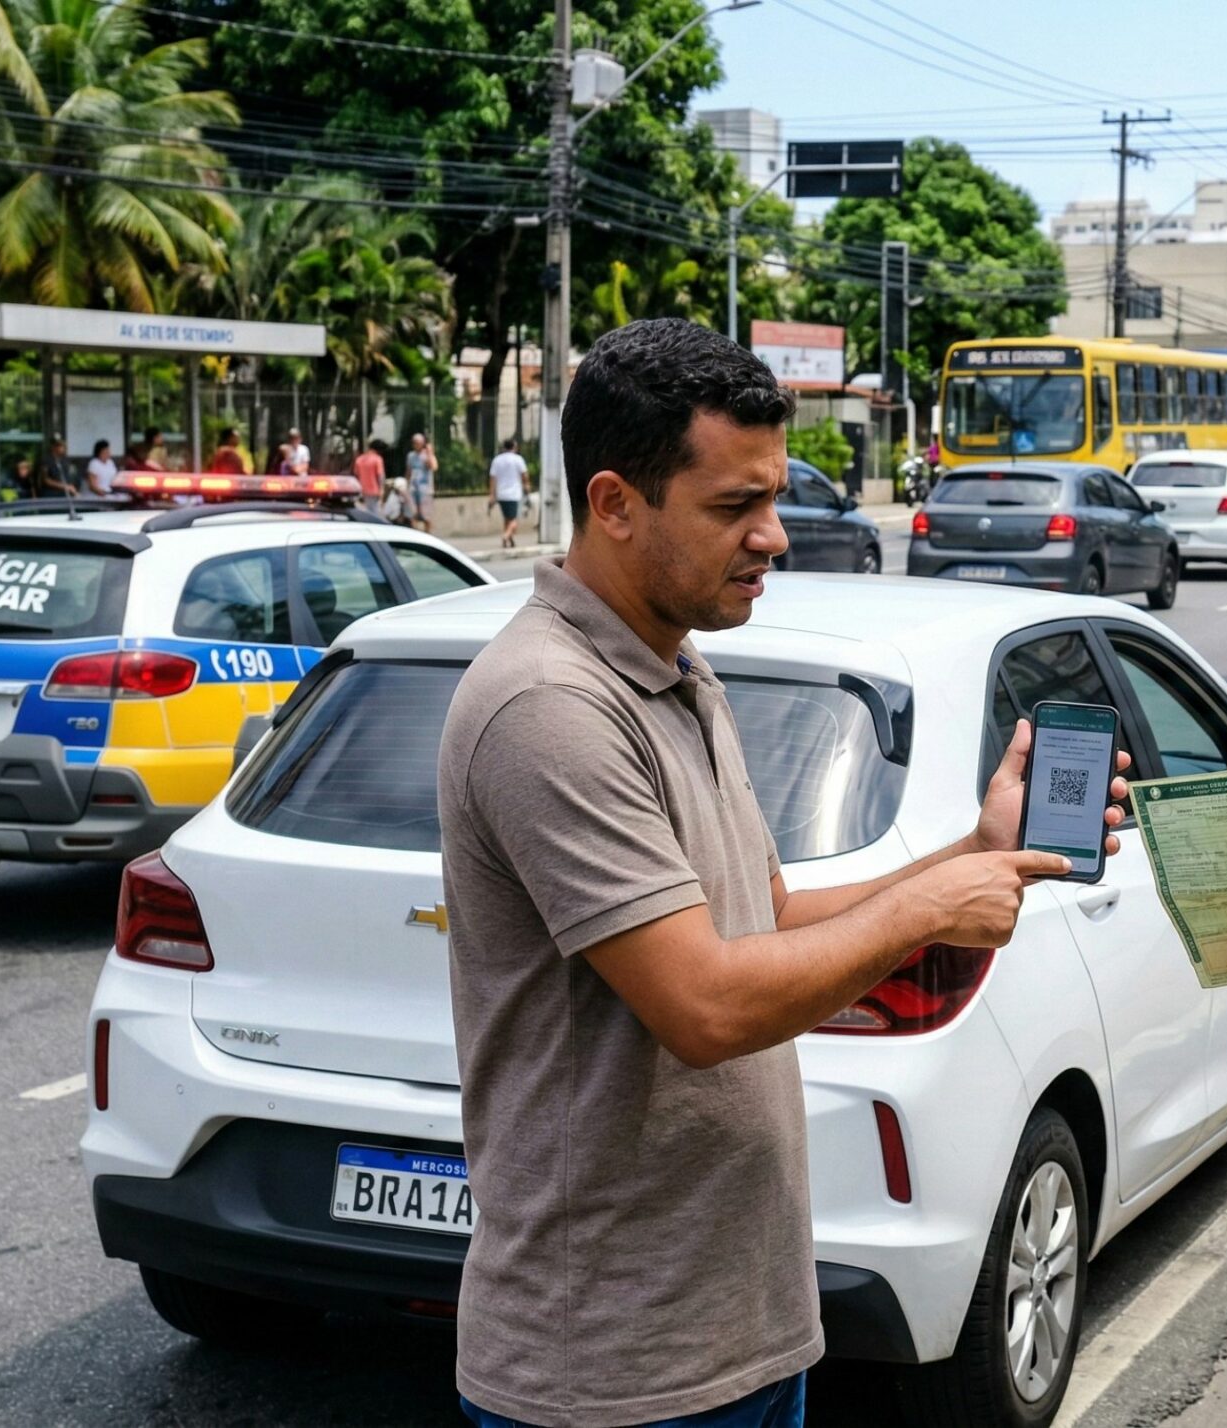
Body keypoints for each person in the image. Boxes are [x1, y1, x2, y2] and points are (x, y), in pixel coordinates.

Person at [437, 317, 1126, 1428]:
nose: (775, 537)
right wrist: (923, 911)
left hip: (738, 1331)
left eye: (770, 500)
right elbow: (704, 1006)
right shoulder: (550, 706)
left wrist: (974, 854)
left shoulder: (675, 665)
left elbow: (763, 916)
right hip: (611, 1372)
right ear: (614, 504)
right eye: (732, 508)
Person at [490, 436, 530, 549]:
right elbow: (524, 475)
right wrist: (527, 486)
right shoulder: (518, 459)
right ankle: (506, 536)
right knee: (514, 520)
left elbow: (492, 479)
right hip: (514, 494)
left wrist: (492, 494)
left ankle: (510, 541)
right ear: (514, 447)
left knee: (507, 519)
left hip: (501, 494)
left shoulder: (497, 460)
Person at [408, 432, 438, 532]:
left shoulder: (427, 455)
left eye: (418, 443)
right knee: (413, 513)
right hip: (413, 488)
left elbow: (434, 467)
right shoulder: (411, 456)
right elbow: (408, 471)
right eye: (414, 443)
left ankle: (428, 534)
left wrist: (429, 453)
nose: (416, 445)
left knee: (426, 515)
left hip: (425, 489)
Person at [353, 438, 387, 504]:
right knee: (374, 512)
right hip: (374, 491)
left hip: (362, 491)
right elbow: (380, 476)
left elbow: (356, 475)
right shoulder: (377, 459)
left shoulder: (359, 459)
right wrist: (382, 490)